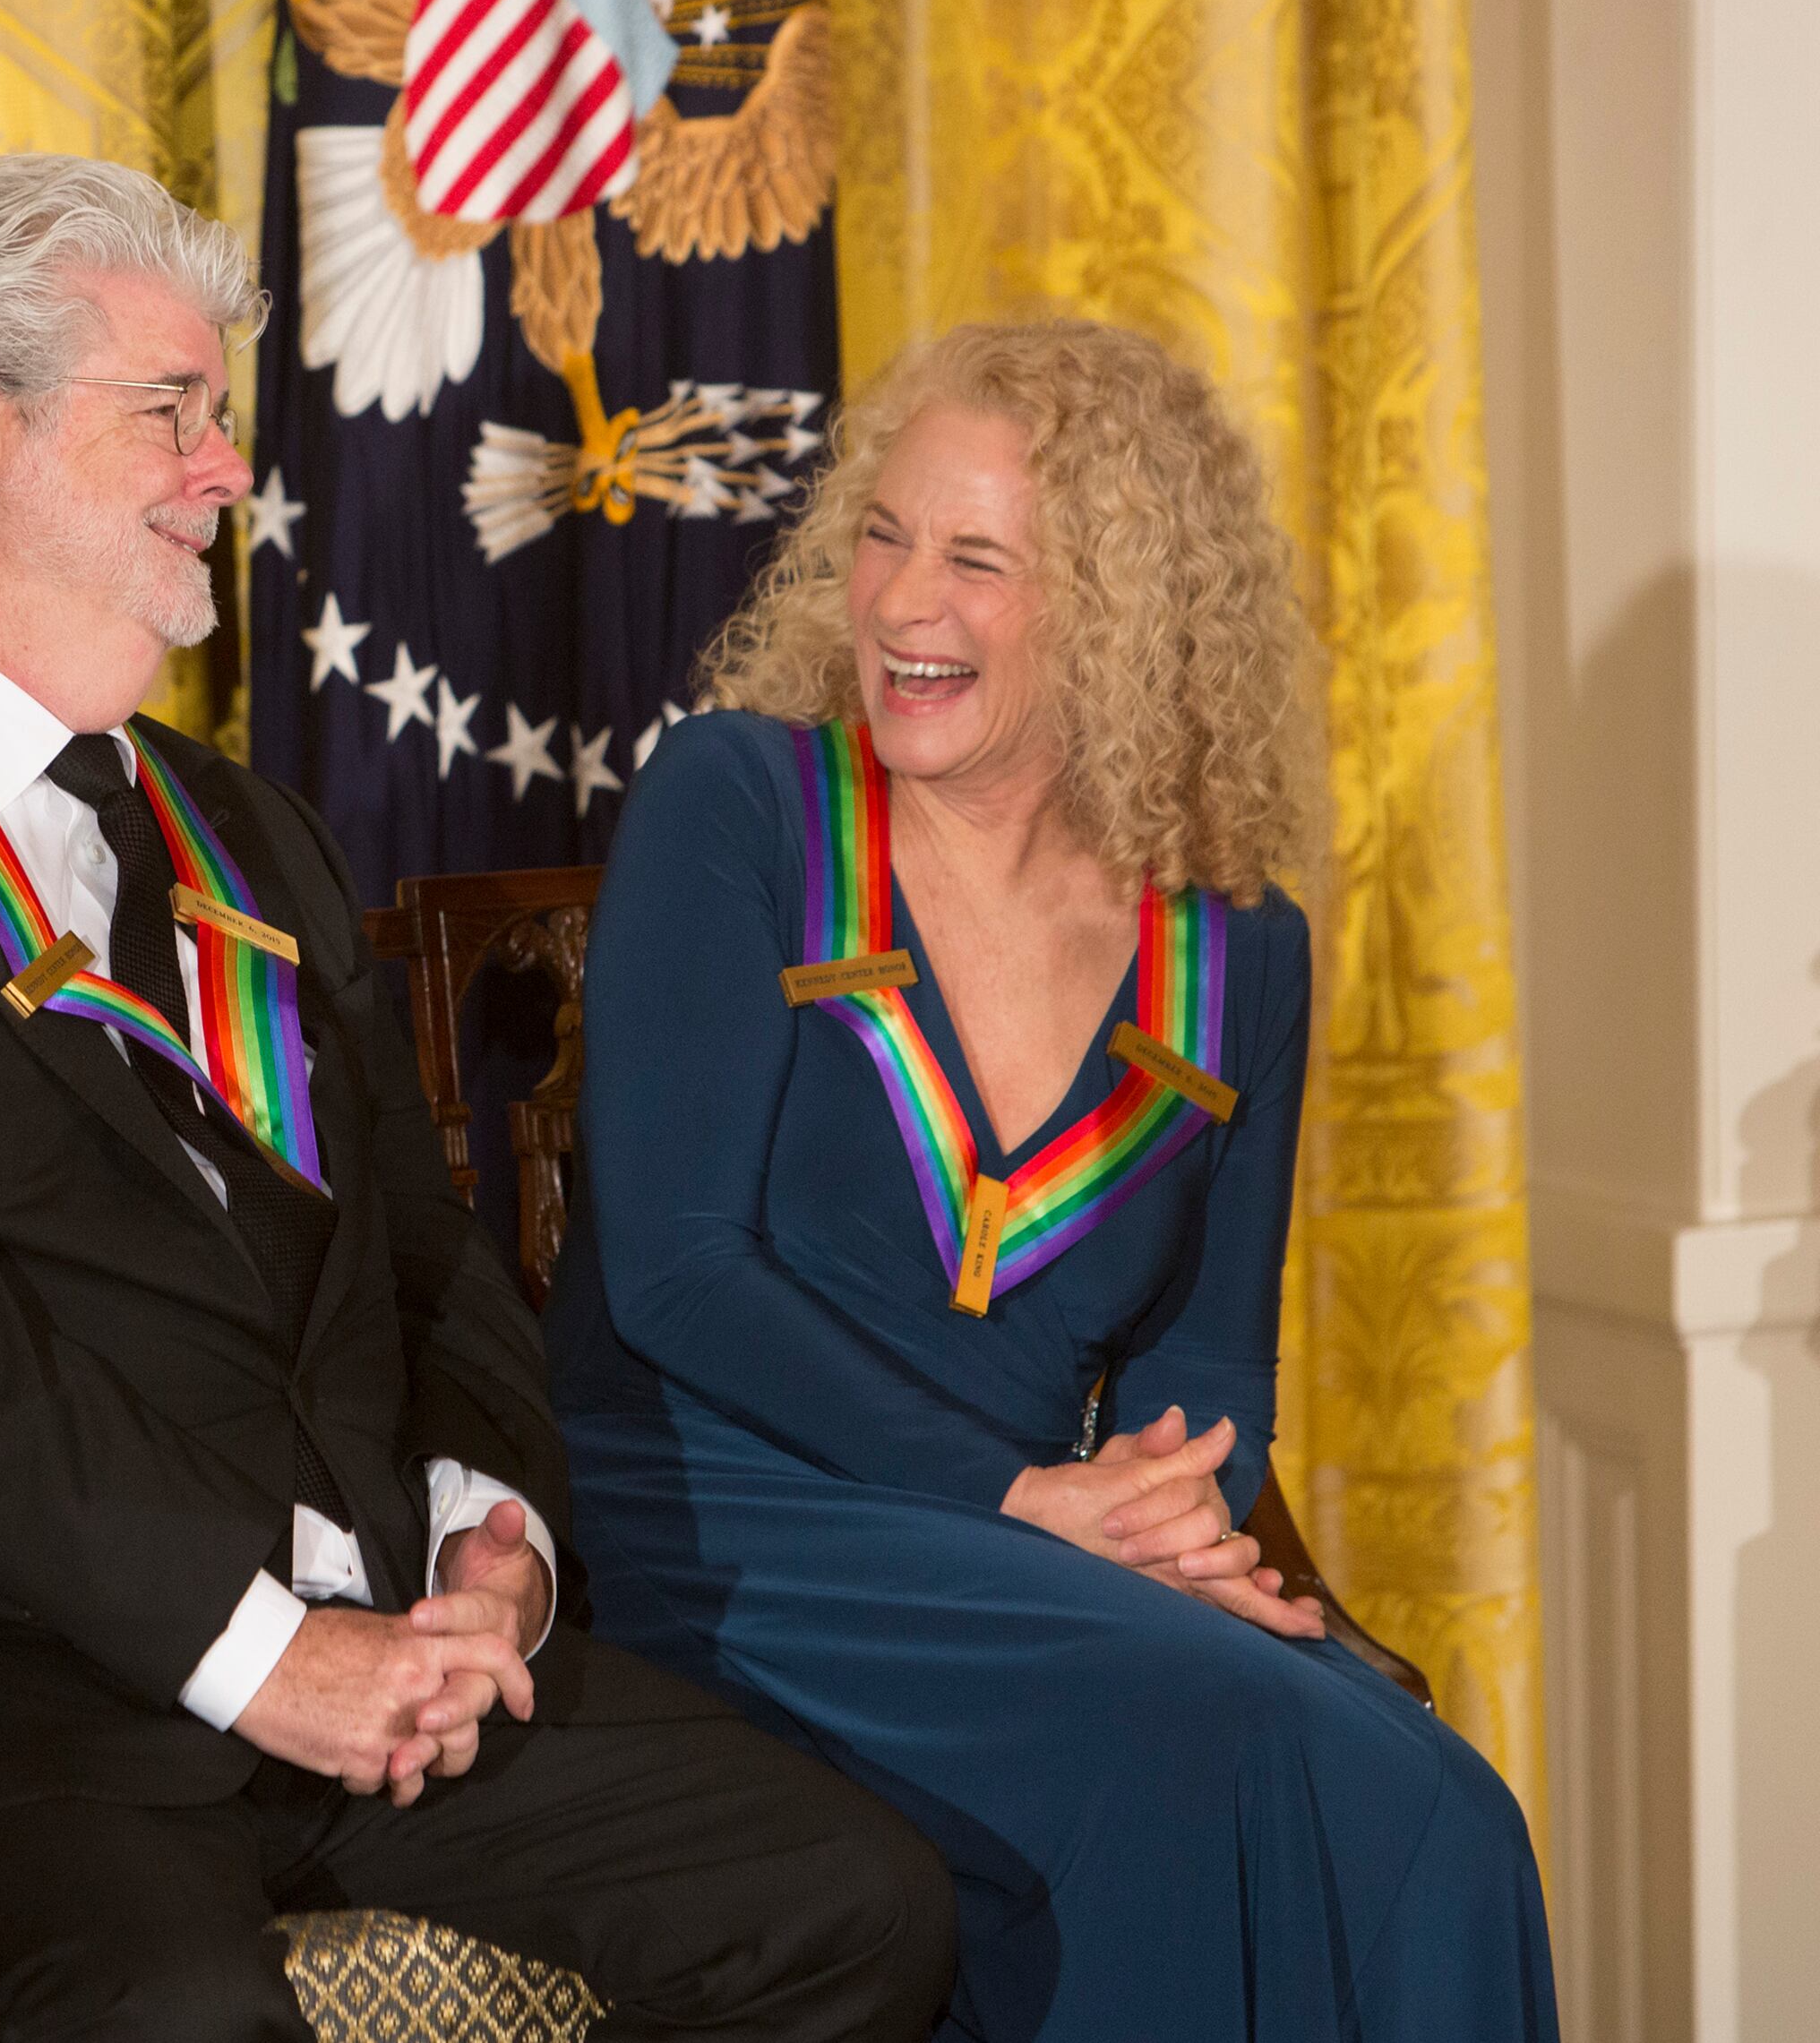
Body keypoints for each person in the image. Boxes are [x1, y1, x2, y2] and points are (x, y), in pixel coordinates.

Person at [0, 153, 954, 2043]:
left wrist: (486, 1537)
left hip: (373, 1650)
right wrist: (265, 1653)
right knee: (178, 2014)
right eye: (172, 413)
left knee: (853, 1908)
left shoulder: (248, 829)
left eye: (223, 417)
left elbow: (426, 1249)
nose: (228, 468)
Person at [546, 319, 1558, 2042]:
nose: (900, 604)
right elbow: (677, 1274)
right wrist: (1030, 1502)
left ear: (1117, 614)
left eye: (976, 560)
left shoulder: (1243, 948)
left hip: (1041, 1549)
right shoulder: (743, 802)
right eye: (882, 535)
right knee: (1210, 1738)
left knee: (1455, 1818)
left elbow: (1207, 1363)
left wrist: (1177, 1530)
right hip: (724, 1515)